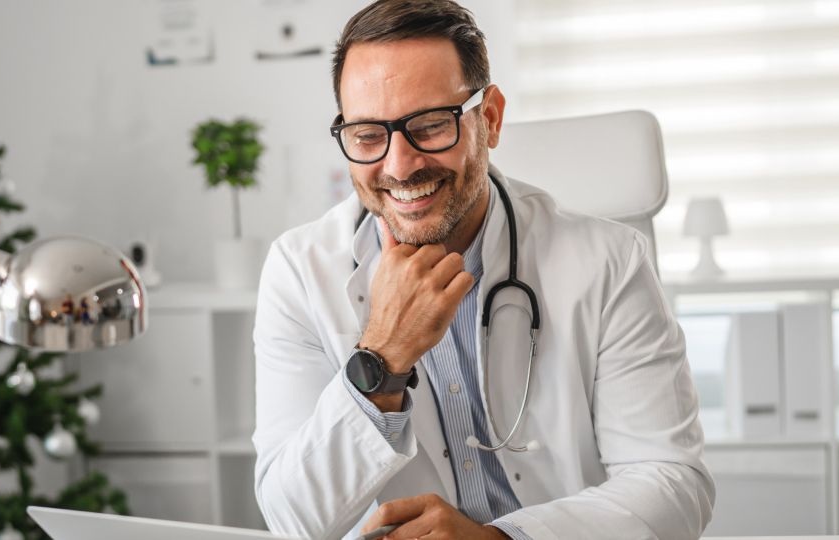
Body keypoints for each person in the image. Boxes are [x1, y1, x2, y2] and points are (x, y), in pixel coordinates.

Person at [252, 1, 715, 538]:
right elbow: (291, 519)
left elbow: (673, 485)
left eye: (429, 125)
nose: (399, 166)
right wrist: (382, 357)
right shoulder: (299, 270)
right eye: (367, 135)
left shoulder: (609, 262)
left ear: (489, 119)